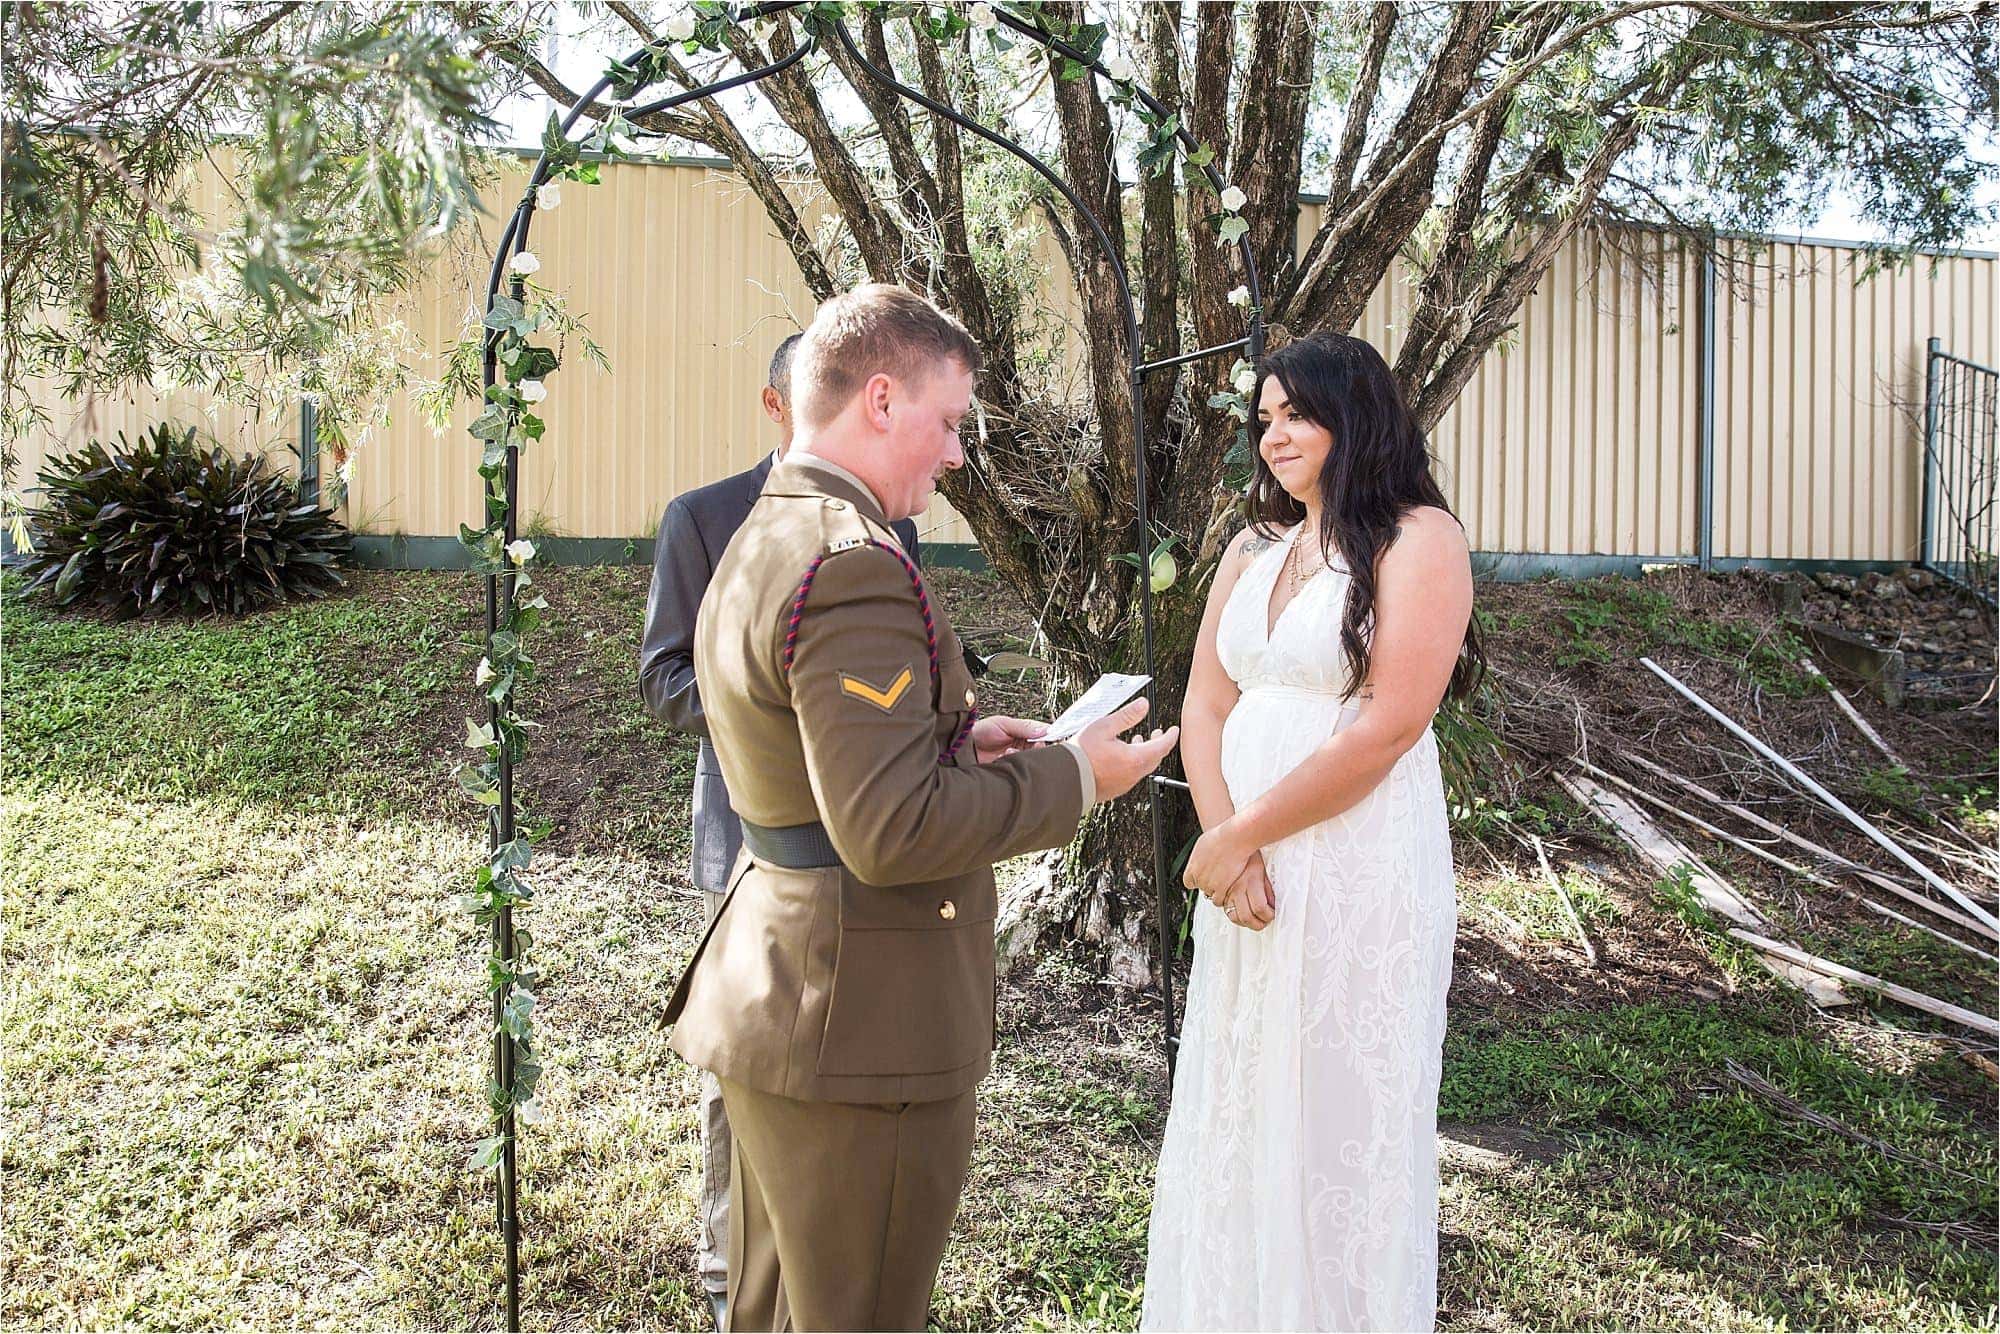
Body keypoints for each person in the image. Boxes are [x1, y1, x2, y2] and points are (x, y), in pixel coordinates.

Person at [662, 283, 1178, 1333]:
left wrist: (955, 740)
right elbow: (889, 830)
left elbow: (808, 752)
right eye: (948, 423)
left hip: (781, 995)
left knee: (765, 1310)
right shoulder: (850, 559)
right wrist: (1076, 776)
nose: (954, 455)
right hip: (860, 1023)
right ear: (883, 399)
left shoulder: (765, 524)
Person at [1142, 332, 1483, 1332]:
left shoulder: (1418, 538)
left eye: (1294, 413)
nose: (1273, 435)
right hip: (1246, 863)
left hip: (1355, 861)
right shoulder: (1252, 547)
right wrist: (1228, 842)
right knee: (1239, 1091)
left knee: (1336, 1107)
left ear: (1353, 415)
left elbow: (1388, 722)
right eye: (1262, 419)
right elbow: (1203, 705)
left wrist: (1238, 830)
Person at [638, 334, 919, 1327]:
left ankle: (824, 1272)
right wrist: (787, 717)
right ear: (777, 403)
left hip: (871, 866)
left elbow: (891, 677)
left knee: (836, 1073)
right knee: (746, 1072)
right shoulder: (705, 518)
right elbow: (665, 671)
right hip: (750, 836)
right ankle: (731, 1273)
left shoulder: (882, 526)